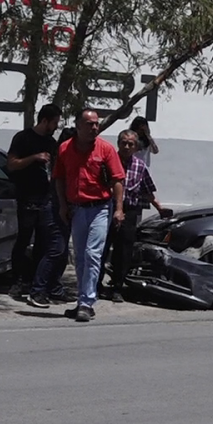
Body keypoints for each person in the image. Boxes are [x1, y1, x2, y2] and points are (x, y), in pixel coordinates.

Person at [53, 108, 125, 322]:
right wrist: (62, 205)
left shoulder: (106, 149)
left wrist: (119, 209)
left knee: (93, 254)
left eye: (96, 124)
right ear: (78, 125)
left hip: (100, 208)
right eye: (89, 124)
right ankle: (82, 301)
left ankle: (86, 302)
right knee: (81, 258)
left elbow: (118, 180)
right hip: (76, 209)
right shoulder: (65, 149)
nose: (94, 127)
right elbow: (59, 178)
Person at [7, 104, 69, 308]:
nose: (55, 126)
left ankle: (36, 282)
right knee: (24, 238)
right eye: (54, 122)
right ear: (44, 121)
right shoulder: (23, 138)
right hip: (26, 197)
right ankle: (17, 280)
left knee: (43, 243)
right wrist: (34, 158)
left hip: (46, 199)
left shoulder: (51, 142)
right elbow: (12, 164)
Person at [100, 129, 171, 302]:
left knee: (124, 251)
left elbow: (147, 192)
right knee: (100, 248)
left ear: (136, 147)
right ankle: (95, 285)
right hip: (106, 210)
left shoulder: (140, 166)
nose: (126, 146)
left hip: (130, 212)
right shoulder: (107, 162)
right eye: (123, 142)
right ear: (118, 143)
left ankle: (117, 287)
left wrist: (159, 208)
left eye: (130, 144)